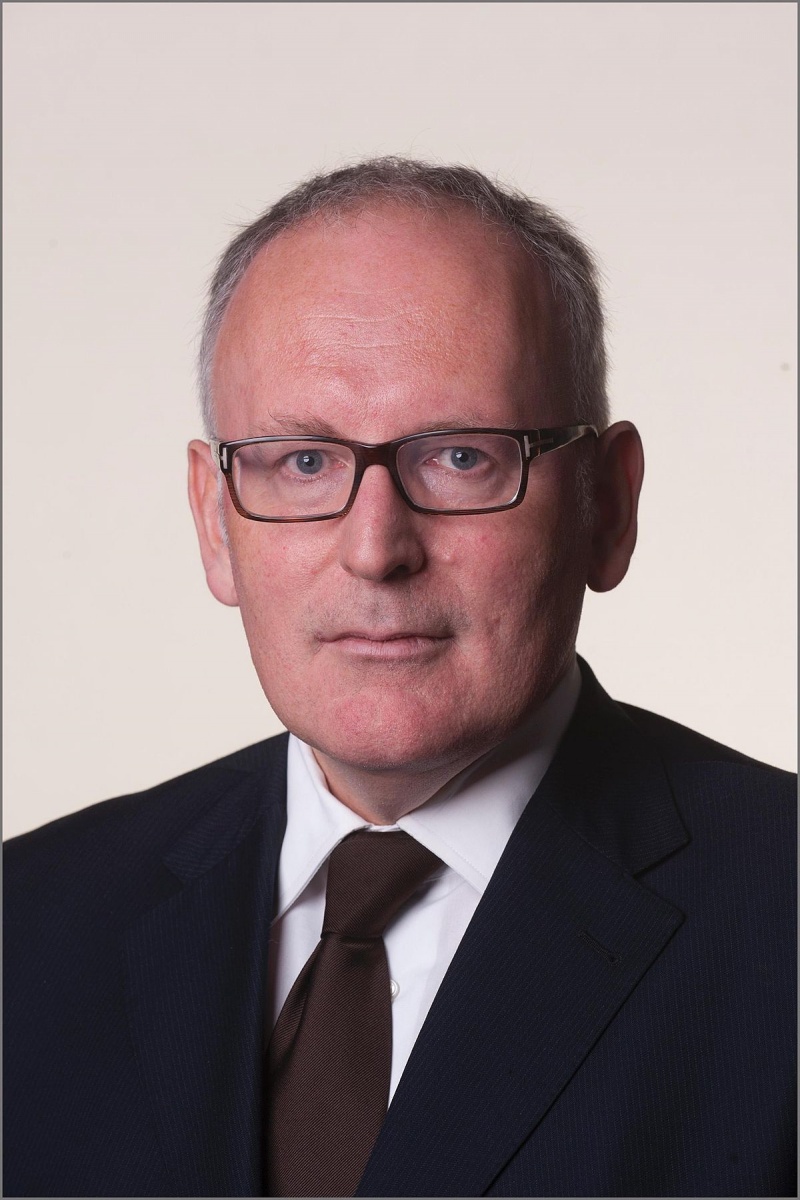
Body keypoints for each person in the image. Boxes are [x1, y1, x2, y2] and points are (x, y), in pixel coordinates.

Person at [4, 158, 795, 1200]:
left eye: (460, 457)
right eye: (302, 462)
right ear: (213, 519)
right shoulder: (27, 923)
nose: (376, 549)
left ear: (606, 505)